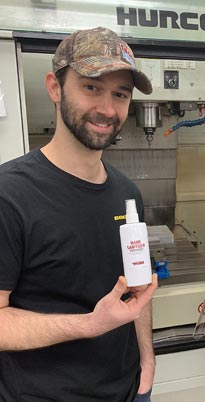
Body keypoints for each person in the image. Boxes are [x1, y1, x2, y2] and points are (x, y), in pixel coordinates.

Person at [0, 27, 158, 402]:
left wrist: (147, 360)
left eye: (120, 94)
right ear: (55, 87)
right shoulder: (9, 194)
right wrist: (90, 324)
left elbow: (138, 292)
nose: (107, 108)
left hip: (129, 391)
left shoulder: (127, 193)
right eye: (91, 87)